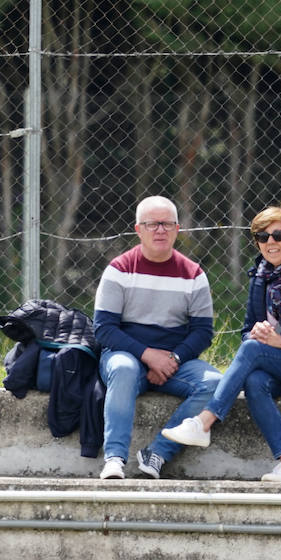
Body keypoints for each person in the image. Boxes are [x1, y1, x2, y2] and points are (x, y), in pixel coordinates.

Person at [160, 206, 281, 482]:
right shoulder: (260, 276)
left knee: (254, 352)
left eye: (278, 235)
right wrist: (257, 331)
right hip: (280, 365)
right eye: (262, 237)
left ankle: (204, 422)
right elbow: (246, 334)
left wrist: (280, 340)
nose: (270, 243)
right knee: (254, 380)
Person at [93, 195, 223, 479]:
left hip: (173, 361)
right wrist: (148, 356)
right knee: (125, 370)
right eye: (152, 224)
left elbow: (203, 332)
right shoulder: (119, 269)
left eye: (167, 224)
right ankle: (114, 459)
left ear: (178, 229)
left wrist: (173, 360)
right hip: (126, 356)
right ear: (138, 230)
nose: (160, 230)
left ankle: (158, 453)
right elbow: (103, 329)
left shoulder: (193, 274)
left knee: (215, 383)